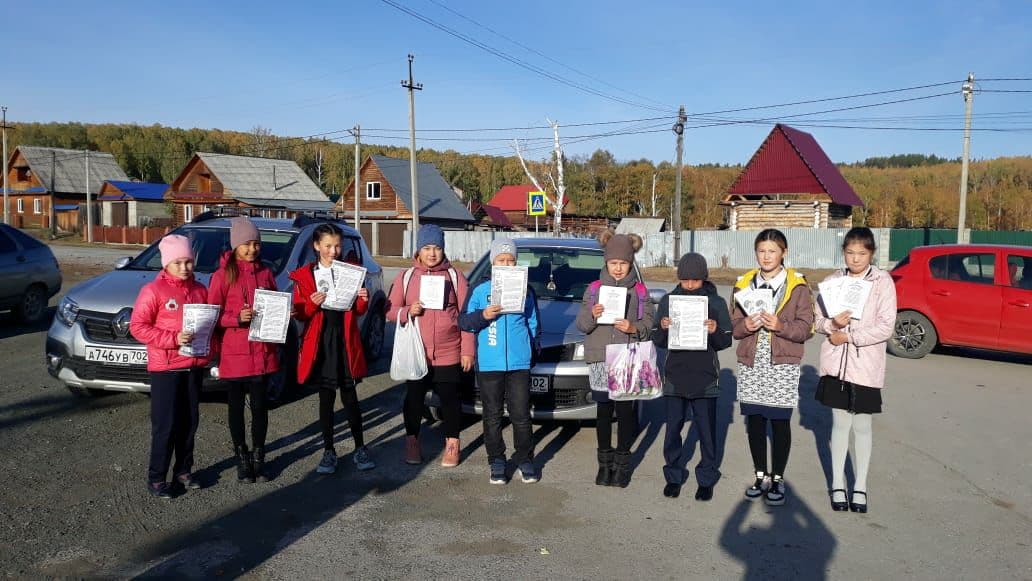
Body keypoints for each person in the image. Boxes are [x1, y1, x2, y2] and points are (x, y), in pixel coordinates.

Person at [814, 227, 896, 513]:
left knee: (862, 426)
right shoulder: (833, 281)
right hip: (836, 365)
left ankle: (860, 485)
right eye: (850, 252)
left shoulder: (882, 282)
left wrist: (849, 336)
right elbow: (818, 320)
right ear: (843, 253)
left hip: (866, 366)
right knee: (839, 424)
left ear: (871, 253)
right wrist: (832, 324)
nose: (856, 258)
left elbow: (886, 326)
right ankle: (838, 483)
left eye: (862, 253)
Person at [731, 228, 814, 506]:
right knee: (754, 421)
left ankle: (777, 477)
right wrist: (746, 325)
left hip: (782, 363)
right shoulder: (744, 283)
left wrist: (781, 326)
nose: (766, 256)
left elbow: (806, 328)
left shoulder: (798, 285)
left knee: (779, 422)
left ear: (783, 253)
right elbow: (734, 327)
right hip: (752, 361)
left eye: (772, 251)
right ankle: (760, 475)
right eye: (761, 251)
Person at [129, 234, 210, 499]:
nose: (185, 267)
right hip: (166, 368)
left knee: (189, 421)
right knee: (165, 425)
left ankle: (183, 470)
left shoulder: (200, 290)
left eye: (188, 261)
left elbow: (207, 326)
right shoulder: (153, 291)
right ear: (166, 264)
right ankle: (156, 478)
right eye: (178, 263)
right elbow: (138, 327)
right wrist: (173, 339)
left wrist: (210, 348)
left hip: (193, 365)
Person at [386, 224, 474, 467]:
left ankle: (452, 444)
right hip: (417, 351)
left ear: (443, 250)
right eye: (427, 248)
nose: (432, 253)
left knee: (450, 399)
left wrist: (468, 350)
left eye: (437, 248)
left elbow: (468, 316)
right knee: (414, 399)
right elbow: (390, 311)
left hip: (449, 351)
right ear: (418, 251)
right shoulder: (406, 277)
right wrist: (407, 311)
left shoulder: (455, 277)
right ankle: (412, 441)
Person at [290, 223, 374, 475]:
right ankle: (329, 450)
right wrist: (310, 303)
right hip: (321, 341)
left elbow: (358, 310)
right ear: (317, 246)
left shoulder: (351, 271)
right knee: (326, 398)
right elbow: (299, 313)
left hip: (345, 340)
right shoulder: (306, 275)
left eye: (337, 245)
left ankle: (360, 447)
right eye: (328, 246)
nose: (333, 251)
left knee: (350, 396)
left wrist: (363, 299)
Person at [575, 229, 654, 488]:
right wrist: (593, 315)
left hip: (626, 357)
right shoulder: (594, 289)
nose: (618, 268)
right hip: (600, 357)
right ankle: (604, 465)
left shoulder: (640, 291)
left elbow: (648, 324)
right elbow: (581, 324)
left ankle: (622, 465)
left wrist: (633, 328)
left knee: (625, 413)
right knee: (603, 412)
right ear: (606, 262)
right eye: (613, 263)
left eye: (623, 263)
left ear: (631, 263)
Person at [652, 253, 733, 501]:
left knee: (707, 431)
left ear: (704, 278)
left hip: (705, 376)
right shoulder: (669, 300)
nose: (689, 284)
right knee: (673, 429)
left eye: (695, 280)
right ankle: (673, 475)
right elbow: (657, 338)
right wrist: (663, 327)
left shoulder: (716, 302)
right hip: (675, 375)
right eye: (685, 279)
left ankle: (706, 477)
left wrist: (715, 330)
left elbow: (725, 340)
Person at [459, 238, 540, 484]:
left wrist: (531, 351)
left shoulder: (526, 290)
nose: (506, 264)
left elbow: (533, 323)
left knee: (521, 414)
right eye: (501, 260)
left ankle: (525, 458)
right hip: (490, 362)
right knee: (492, 415)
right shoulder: (480, 290)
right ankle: (496, 460)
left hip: (519, 363)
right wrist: (483, 315)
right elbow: (464, 321)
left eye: (511, 260)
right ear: (493, 263)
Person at [207, 217, 280, 483]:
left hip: (262, 351)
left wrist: (283, 313)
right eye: (246, 244)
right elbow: (212, 314)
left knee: (260, 408)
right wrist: (236, 318)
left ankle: (260, 455)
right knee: (236, 408)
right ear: (235, 245)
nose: (252, 249)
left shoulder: (265, 273)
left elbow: (275, 302)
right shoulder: (223, 275)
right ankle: (242, 456)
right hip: (235, 352)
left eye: (256, 244)